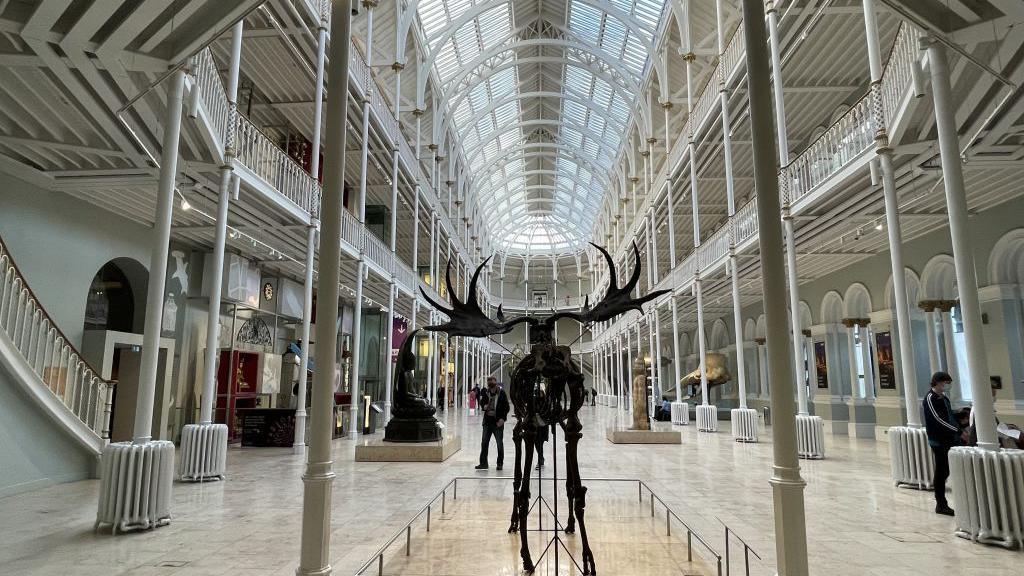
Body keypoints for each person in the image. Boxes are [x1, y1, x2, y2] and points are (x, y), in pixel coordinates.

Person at [923, 371, 959, 516]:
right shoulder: (931, 398)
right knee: (941, 471)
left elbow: (948, 415)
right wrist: (956, 429)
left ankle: (942, 502)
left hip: (949, 438)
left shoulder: (943, 398)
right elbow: (937, 419)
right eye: (946, 382)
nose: (947, 385)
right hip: (938, 440)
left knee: (946, 470)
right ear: (938, 382)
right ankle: (941, 503)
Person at [475, 376, 509, 470]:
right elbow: (482, 403)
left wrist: (503, 419)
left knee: (499, 443)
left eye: (491, 380)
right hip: (487, 422)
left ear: (495, 381)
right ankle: (483, 463)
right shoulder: (486, 392)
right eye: (488, 380)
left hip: (497, 422)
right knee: (484, 443)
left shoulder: (501, 393)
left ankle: (500, 463)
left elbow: (506, 407)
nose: (489, 382)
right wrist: (483, 406)